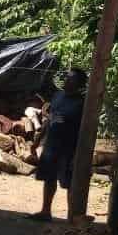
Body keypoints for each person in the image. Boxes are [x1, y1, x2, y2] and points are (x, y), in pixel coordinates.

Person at [30, 68, 87, 222]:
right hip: (52, 144)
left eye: (72, 79)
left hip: (69, 147)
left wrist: (80, 153)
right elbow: (49, 120)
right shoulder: (58, 96)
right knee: (49, 178)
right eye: (67, 78)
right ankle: (45, 211)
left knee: (69, 183)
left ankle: (72, 218)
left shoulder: (83, 103)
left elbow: (85, 129)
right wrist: (37, 140)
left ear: (80, 84)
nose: (67, 81)